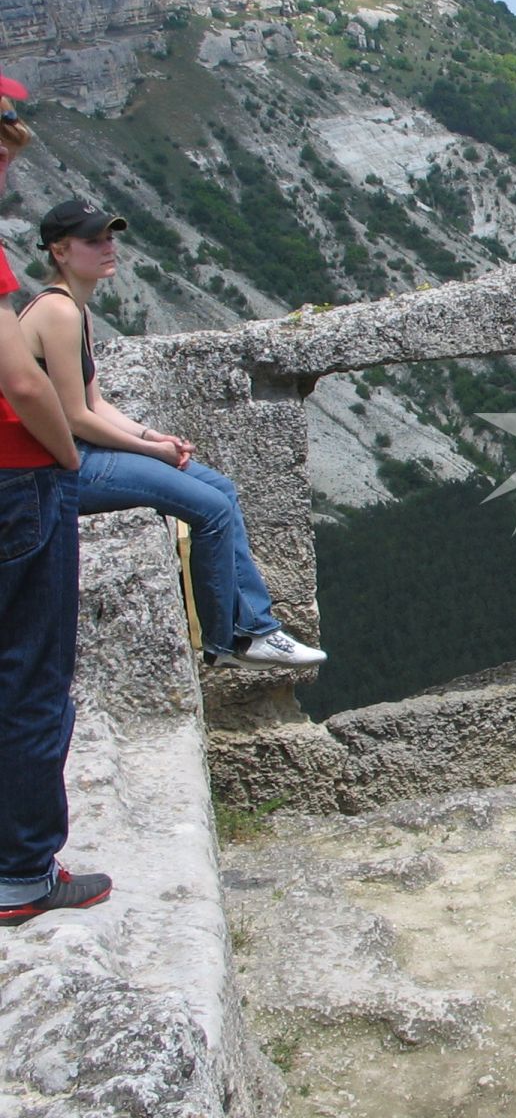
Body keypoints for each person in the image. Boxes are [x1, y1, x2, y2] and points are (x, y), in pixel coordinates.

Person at [19, 200, 325, 672]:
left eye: (109, 237)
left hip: (75, 449)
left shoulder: (74, 309)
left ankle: (256, 630)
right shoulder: (57, 311)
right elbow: (75, 416)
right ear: (60, 251)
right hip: (57, 465)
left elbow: (96, 403)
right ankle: (231, 641)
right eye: (93, 240)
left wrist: (153, 434)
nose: (108, 247)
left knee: (221, 488)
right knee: (212, 509)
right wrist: (151, 450)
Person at [0, 71, 112, 926]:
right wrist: (67, 457)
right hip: (18, 479)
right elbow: (28, 388)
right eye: (4, 142)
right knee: (34, 676)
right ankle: (24, 871)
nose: (10, 159)